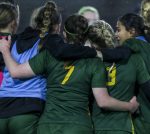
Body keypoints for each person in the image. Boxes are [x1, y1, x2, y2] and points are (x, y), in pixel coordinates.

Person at [0, 14, 139, 134]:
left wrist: (5, 50)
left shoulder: (49, 56)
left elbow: (15, 71)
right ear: (86, 37)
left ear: (64, 34)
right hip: (77, 126)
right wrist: (130, 106)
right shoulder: (94, 61)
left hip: (48, 125)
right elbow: (103, 101)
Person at [87, 19, 150, 134]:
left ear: (91, 43)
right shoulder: (134, 59)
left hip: (96, 126)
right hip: (124, 127)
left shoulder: (89, 63)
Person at [116, 13, 150, 134]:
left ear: (132, 31)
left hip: (142, 119)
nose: (116, 35)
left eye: (119, 30)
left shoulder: (131, 45)